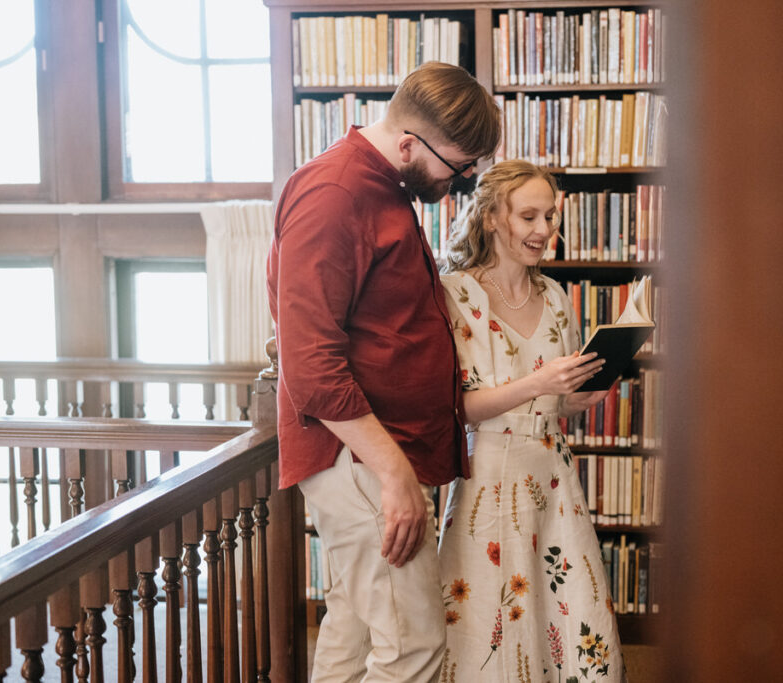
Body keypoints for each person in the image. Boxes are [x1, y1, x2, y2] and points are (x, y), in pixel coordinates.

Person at [266, 61, 502, 682]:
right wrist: (394, 472)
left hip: (383, 455)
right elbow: (312, 363)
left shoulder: (382, 188)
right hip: (366, 457)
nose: (462, 181)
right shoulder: (335, 193)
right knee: (414, 648)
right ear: (407, 143)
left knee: (352, 630)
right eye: (458, 166)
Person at [437, 160, 627, 680]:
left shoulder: (557, 298)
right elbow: (462, 408)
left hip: (552, 474)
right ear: (493, 217)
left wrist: (575, 398)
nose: (544, 231)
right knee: (486, 618)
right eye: (528, 217)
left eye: (551, 217)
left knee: (567, 607)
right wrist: (540, 384)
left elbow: (555, 401)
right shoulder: (456, 295)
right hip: (488, 477)